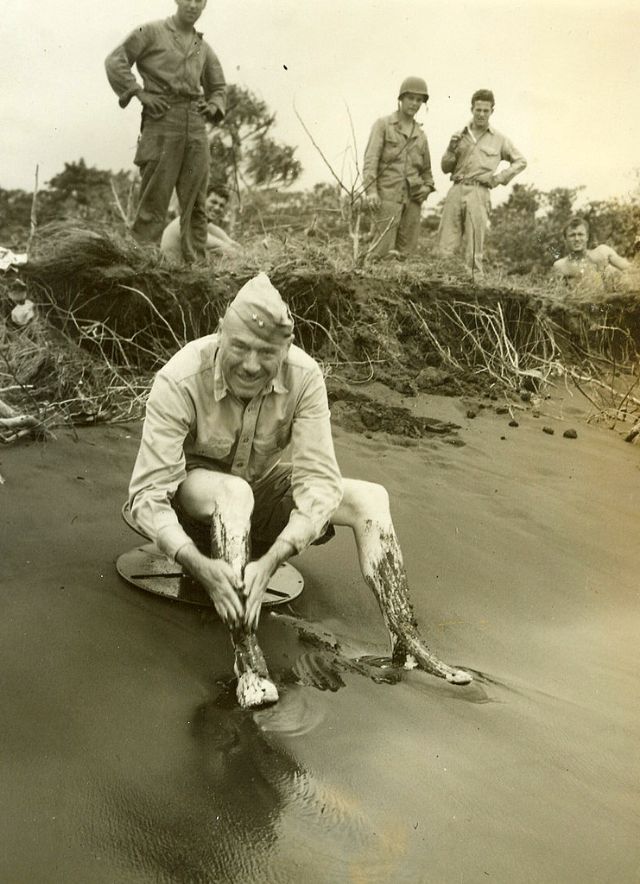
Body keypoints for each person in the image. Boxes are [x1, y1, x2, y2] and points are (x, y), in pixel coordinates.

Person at [128, 272, 471, 708]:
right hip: (192, 510)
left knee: (370, 498)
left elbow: (318, 485)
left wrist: (273, 559)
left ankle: (407, 643)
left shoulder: (305, 377)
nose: (251, 365)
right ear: (220, 334)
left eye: (267, 353)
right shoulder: (180, 377)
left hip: (257, 503)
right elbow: (146, 495)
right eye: (240, 347)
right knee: (234, 492)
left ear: (285, 350)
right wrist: (196, 563)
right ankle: (248, 661)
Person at [105, 0, 226, 263]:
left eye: (199, 0)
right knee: (154, 200)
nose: (192, 5)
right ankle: (142, 265)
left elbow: (218, 86)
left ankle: (195, 270)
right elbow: (116, 60)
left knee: (197, 204)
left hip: (195, 125)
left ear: (205, 4)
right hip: (162, 119)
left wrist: (214, 106)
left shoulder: (202, 46)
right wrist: (138, 92)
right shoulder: (150, 31)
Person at [438, 89, 526, 275]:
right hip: (456, 189)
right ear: (472, 109)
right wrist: (450, 148)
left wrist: (498, 179)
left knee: (474, 246)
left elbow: (520, 161)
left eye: (486, 110)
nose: (481, 114)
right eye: (478, 110)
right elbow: (445, 168)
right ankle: (443, 280)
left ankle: (474, 283)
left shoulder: (499, 139)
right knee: (446, 244)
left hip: (479, 192)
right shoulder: (459, 135)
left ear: (492, 111)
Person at [362, 77, 434, 259]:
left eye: (419, 100)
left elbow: (427, 173)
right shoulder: (383, 125)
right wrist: (371, 191)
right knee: (379, 252)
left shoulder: (421, 135)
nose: (415, 103)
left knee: (406, 256)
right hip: (386, 197)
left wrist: (427, 188)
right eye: (411, 98)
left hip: (413, 201)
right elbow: (371, 160)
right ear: (401, 98)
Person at [160, 188, 240, 263]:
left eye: (221, 205)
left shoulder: (201, 223)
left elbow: (232, 243)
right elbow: (227, 249)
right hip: (174, 269)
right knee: (224, 254)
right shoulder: (190, 221)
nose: (217, 208)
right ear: (202, 201)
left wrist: (232, 245)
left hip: (185, 267)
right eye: (213, 202)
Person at [552, 217, 630, 290]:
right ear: (565, 239)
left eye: (580, 234)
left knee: (610, 270)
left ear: (587, 237)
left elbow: (631, 270)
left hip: (608, 297)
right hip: (582, 299)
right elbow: (559, 296)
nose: (577, 239)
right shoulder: (561, 266)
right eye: (572, 235)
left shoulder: (602, 252)